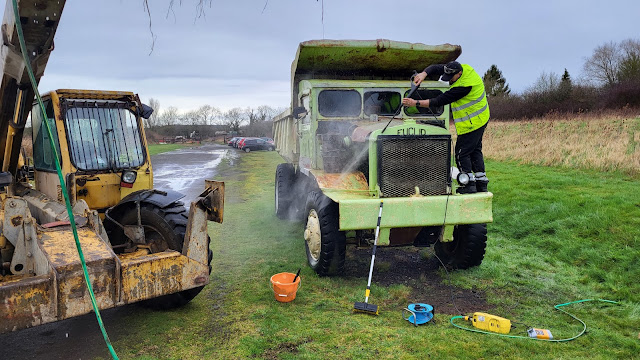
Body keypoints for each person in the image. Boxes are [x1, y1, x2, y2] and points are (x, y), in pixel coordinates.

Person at [402, 61, 490, 193]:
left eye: (451, 78)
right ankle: (481, 183)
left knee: (462, 153)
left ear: (459, 74)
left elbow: (440, 100)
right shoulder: (458, 68)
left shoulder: (465, 86)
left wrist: (416, 103)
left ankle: (468, 185)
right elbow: (434, 67)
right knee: (475, 150)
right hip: (481, 118)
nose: (449, 81)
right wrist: (423, 74)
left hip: (473, 122)